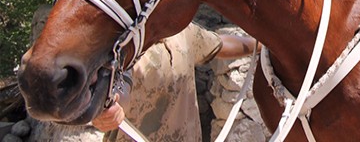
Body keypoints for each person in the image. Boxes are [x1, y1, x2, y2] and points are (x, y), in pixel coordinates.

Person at [92, 23, 258, 141]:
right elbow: (119, 93)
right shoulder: (123, 47)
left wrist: (260, 45)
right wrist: (109, 111)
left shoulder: (182, 32)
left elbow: (219, 44)